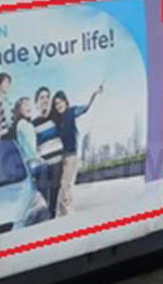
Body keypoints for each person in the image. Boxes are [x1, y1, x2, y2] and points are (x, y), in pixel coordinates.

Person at [51, 84, 103, 217]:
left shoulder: (71, 112)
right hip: (62, 157)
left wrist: (94, 94)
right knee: (63, 185)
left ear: (65, 101)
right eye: (56, 104)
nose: (59, 105)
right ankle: (62, 212)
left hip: (72, 155)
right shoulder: (57, 120)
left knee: (66, 184)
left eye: (60, 102)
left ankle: (65, 212)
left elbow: (85, 108)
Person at [9, 96, 49, 226]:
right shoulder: (21, 124)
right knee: (39, 196)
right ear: (19, 109)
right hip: (31, 162)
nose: (28, 107)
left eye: (29, 105)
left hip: (32, 161)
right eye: (24, 105)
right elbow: (27, 145)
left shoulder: (27, 124)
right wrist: (37, 157)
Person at [32, 86, 65, 217]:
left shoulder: (55, 118)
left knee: (55, 195)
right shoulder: (33, 123)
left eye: (47, 97)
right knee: (44, 196)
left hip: (58, 161)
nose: (45, 100)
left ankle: (53, 217)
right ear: (37, 102)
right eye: (42, 97)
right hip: (43, 164)